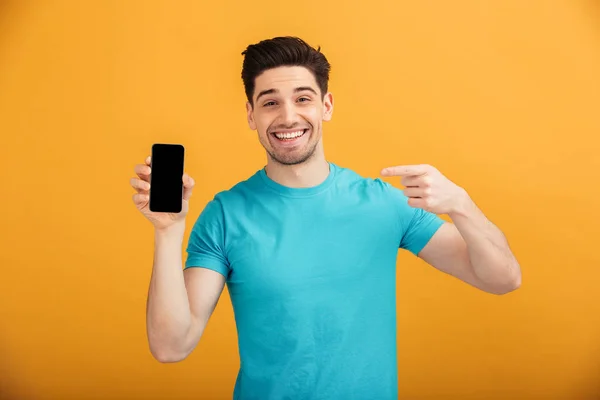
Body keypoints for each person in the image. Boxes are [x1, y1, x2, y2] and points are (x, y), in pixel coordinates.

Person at [130, 36, 521, 400]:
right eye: (270, 102)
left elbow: (503, 278)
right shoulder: (226, 215)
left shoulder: (384, 203)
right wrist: (168, 231)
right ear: (251, 114)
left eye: (303, 99)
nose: (287, 116)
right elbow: (170, 346)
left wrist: (461, 205)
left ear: (326, 106)